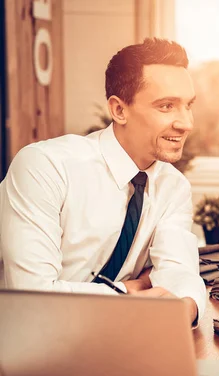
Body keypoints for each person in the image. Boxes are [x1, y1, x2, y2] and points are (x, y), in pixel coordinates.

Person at [0, 38, 205, 326]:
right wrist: (125, 291)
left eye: (188, 105)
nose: (186, 123)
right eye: (167, 106)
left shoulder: (174, 187)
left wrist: (185, 307)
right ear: (119, 110)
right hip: (28, 341)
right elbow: (34, 298)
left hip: (113, 336)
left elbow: (180, 274)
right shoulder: (45, 167)